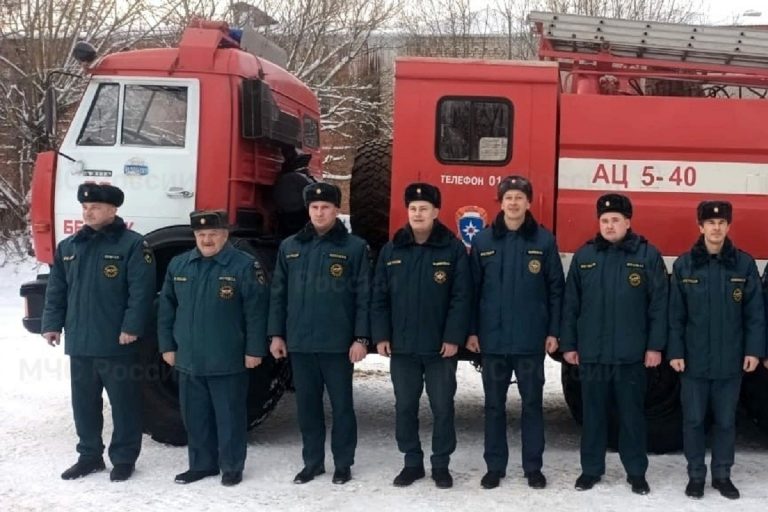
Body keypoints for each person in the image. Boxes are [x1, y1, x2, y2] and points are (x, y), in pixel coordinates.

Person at [41, 183, 155, 482]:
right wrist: (52, 324)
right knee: (84, 405)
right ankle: (89, 456)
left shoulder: (132, 245)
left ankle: (124, 458)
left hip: (117, 343)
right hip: (80, 343)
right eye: (85, 207)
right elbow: (57, 290)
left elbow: (141, 292)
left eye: (95, 207)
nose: (88, 211)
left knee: (124, 405)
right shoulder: (69, 247)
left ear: (113, 210)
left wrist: (131, 327)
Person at [560, 193, 668, 495]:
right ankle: (591, 471)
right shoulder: (585, 257)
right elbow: (571, 305)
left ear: (627, 222)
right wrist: (569, 344)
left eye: (615, 220)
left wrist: (655, 347)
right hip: (593, 355)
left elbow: (659, 306)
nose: (609, 225)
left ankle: (636, 472)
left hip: (630, 355)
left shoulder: (647, 256)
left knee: (632, 417)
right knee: (593, 416)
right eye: (604, 220)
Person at [268, 182, 371, 485]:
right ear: (308, 210)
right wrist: (276, 334)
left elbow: (364, 296)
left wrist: (361, 338)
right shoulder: (290, 247)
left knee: (342, 408)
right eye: (314, 207)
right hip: (300, 344)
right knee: (308, 408)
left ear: (337, 210)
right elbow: (278, 294)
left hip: (338, 345)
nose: (319, 212)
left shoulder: (354, 248)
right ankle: (312, 462)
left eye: (326, 207)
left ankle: (343, 463)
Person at [158, 210, 269, 486]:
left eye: (213, 234)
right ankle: (201, 465)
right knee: (195, 417)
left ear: (225, 235)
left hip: (227, 358)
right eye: (201, 234)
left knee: (229, 417)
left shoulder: (243, 266)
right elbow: (166, 310)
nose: (207, 239)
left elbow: (256, 312)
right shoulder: (179, 265)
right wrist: (167, 346)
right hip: (189, 359)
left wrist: (255, 349)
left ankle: (231, 467)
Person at [466, 176, 564, 490]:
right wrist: (471, 332)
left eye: (519, 198)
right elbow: (471, 291)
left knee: (532, 405)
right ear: (501, 202)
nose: (513, 203)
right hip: (493, 341)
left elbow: (556, 292)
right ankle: (495, 467)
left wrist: (553, 331)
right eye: (508, 197)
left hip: (529, 341)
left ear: (528, 203)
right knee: (494, 406)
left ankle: (533, 467)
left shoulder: (544, 242)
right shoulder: (483, 242)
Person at [372, 183, 471, 489]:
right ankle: (411, 462)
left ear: (436, 212)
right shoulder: (392, 249)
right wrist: (382, 335)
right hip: (402, 347)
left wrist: (454, 336)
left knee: (442, 407)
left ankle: (441, 464)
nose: (417, 213)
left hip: (439, 348)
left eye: (424, 208)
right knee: (405, 407)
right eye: (413, 208)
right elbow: (379, 297)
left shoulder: (452, 249)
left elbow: (461, 296)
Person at [668, 200, 766, 500]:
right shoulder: (684, 265)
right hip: (694, 361)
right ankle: (696, 475)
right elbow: (676, 316)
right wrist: (676, 352)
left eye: (722, 223)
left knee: (726, 421)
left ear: (728, 226)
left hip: (729, 360)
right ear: (700, 227)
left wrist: (753, 350)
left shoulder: (743, 265)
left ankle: (722, 475)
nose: (716, 227)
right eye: (710, 223)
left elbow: (755, 314)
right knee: (694, 421)